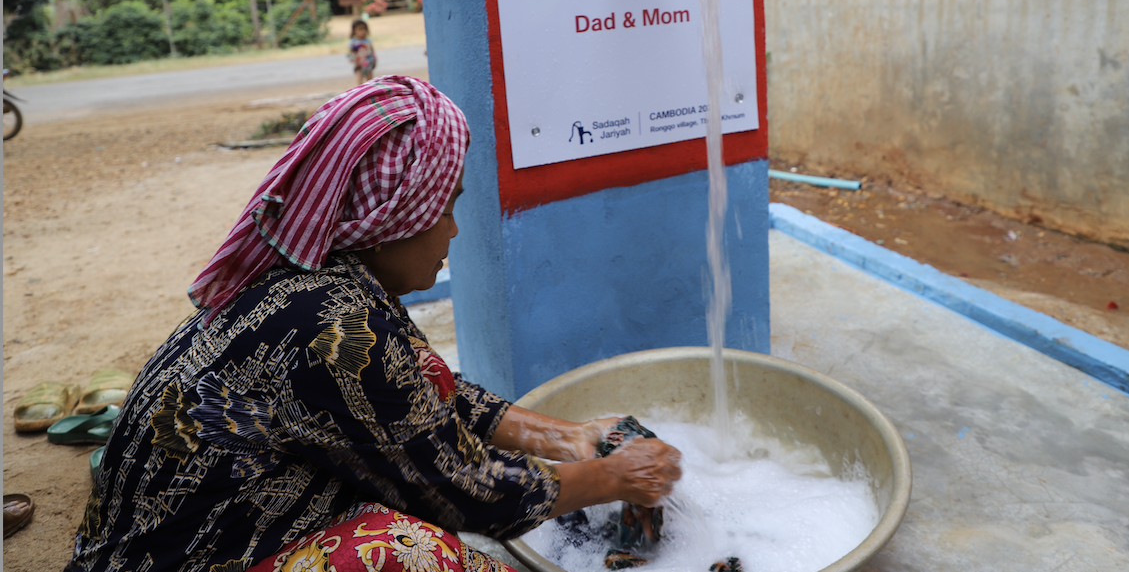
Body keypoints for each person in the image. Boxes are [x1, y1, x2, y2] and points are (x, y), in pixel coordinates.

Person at [65, 76, 681, 572]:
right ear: (391, 213)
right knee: (414, 550)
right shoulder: (328, 323)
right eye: (446, 207)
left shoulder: (320, 283)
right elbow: (459, 491)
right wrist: (608, 477)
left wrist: (565, 437)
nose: (454, 231)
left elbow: (418, 398)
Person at [348, 19, 377, 84]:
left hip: (369, 63)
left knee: (370, 81)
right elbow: (350, 53)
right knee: (359, 82)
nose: (363, 31)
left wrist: (375, 60)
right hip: (359, 65)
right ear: (354, 31)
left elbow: (372, 51)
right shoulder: (353, 42)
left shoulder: (368, 41)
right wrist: (355, 61)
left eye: (364, 29)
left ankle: (370, 93)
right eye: (360, 29)